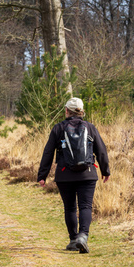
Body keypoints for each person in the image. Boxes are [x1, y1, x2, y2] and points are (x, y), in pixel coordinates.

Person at [37, 97, 110, 254]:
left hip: (64, 175)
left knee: (70, 207)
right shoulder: (90, 128)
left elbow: (48, 152)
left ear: (66, 111)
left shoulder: (58, 128)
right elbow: (101, 150)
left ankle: (73, 239)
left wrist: (42, 175)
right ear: (82, 111)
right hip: (88, 174)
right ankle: (83, 236)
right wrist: (105, 171)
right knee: (85, 206)